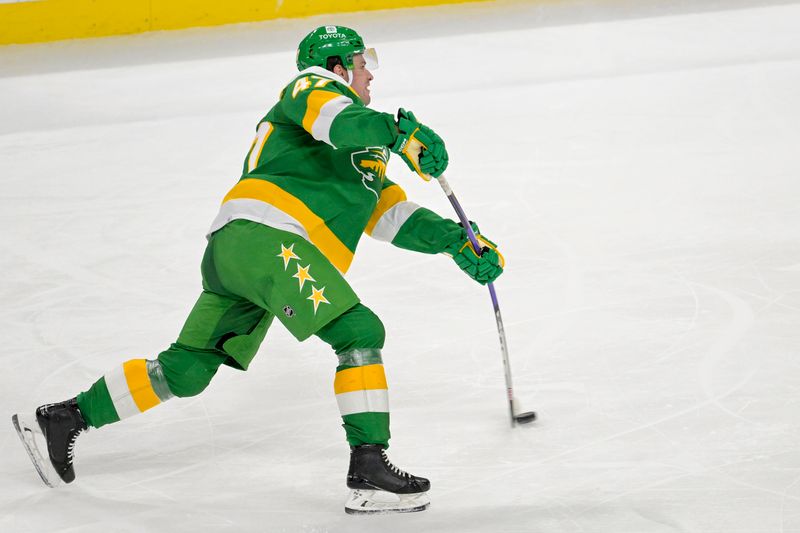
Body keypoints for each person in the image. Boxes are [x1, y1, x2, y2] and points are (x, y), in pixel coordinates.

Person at [11, 25, 504, 515]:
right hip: (268, 239)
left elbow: (390, 215)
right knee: (358, 330)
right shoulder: (311, 88)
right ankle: (369, 469)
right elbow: (342, 123)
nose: (370, 75)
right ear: (336, 66)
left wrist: (457, 240)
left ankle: (65, 417)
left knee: (186, 371)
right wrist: (397, 131)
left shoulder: (366, 150)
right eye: (361, 63)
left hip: (245, 251)